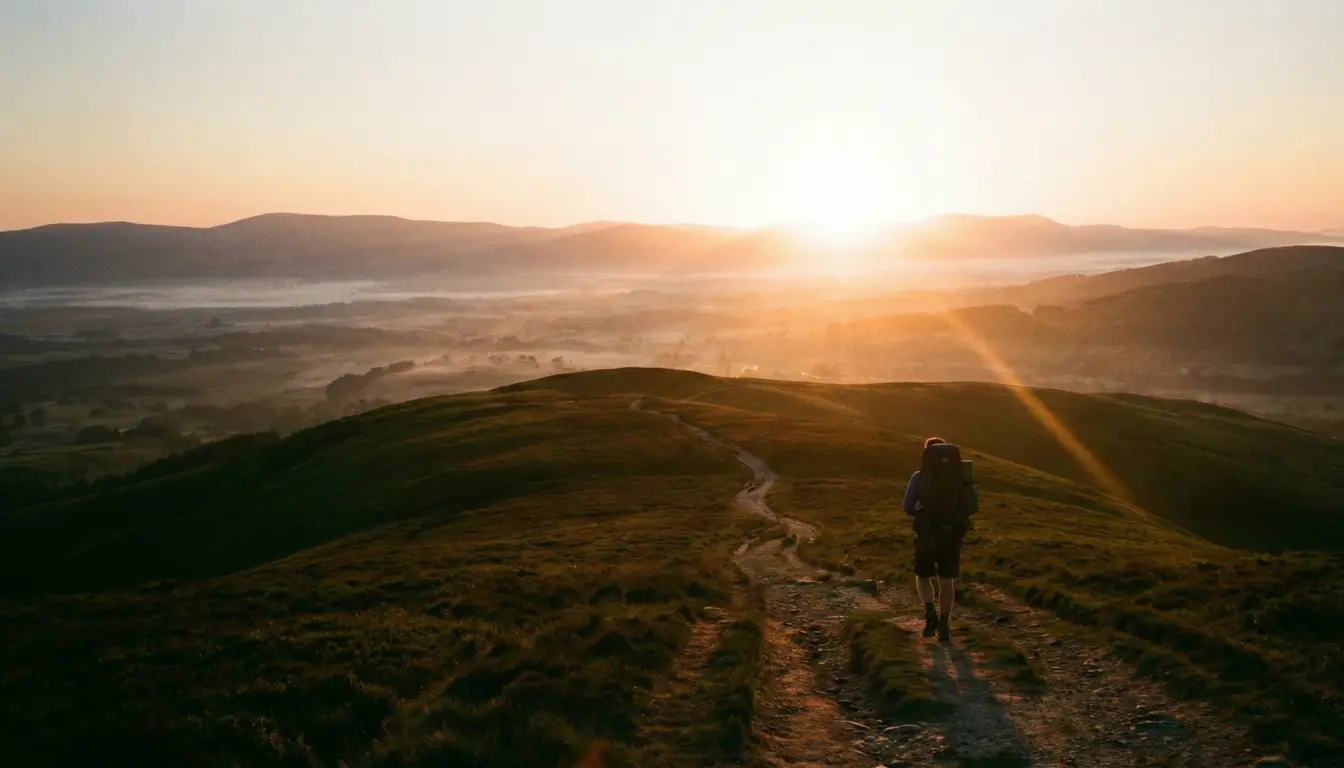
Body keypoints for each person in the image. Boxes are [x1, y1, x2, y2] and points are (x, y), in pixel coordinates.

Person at [902, 437, 976, 641]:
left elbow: (908, 508)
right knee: (946, 579)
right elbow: (971, 505)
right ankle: (944, 624)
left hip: (926, 532)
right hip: (952, 533)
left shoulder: (920, 477)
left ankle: (929, 613)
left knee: (923, 576)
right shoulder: (961, 477)